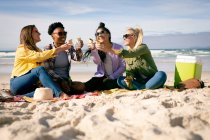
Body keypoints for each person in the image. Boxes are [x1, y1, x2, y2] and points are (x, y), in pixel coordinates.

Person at [10, 25, 71, 99]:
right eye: (36, 31)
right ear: (29, 34)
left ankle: (20, 97)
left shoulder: (38, 50)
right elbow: (39, 56)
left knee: (50, 89)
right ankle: (61, 94)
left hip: (29, 87)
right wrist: (59, 49)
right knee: (39, 69)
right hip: (17, 84)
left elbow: (43, 65)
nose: (39, 33)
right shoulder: (22, 48)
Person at [96, 26, 167, 90]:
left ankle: (143, 87)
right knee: (121, 80)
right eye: (123, 36)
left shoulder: (143, 47)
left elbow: (131, 54)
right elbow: (130, 72)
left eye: (126, 36)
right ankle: (145, 87)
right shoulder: (127, 56)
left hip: (152, 78)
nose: (124, 38)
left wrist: (108, 49)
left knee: (161, 74)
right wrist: (129, 79)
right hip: (139, 81)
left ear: (133, 36)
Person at [43, 22, 85, 95]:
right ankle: (59, 90)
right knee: (56, 87)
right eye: (60, 33)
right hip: (54, 80)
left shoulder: (68, 47)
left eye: (64, 33)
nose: (63, 36)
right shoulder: (48, 48)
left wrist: (78, 49)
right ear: (52, 36)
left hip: (66, 80)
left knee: (81, 86)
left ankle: (61, 90)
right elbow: (48, 70)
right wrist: (61, 81)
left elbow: (78, 58)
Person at [83, 22, 126, 92]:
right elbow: (97, 61)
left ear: (108, 34)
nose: (99, 35)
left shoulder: (118, 47)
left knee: (107, 84)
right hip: (101, 77)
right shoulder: (96, 48)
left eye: (102, 32)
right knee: (86, 86)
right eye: (97, 34)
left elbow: (123, 66)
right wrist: (93, 50)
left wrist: (111, 77)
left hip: (115, 77)